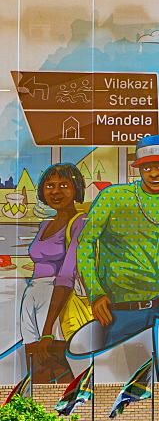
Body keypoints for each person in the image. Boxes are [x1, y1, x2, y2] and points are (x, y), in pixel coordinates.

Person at [77, 135, 159, 347]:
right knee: (119, 374)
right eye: (147, 168)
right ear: (139, 169)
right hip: (120, 311)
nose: (154, 173)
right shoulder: (112, 197)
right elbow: (85, 245)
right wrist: (95, 292)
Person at [19, 163, 86, 383]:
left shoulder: (80, 222)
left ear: (76, 188)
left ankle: (73, 413)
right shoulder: (45, 224)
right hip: (32, 297)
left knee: (57, 363)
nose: (55, 191)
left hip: (56, 299)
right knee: (37, 368)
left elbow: (68, 273)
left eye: (63, 185)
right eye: (50, 186)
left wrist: (48, 328)